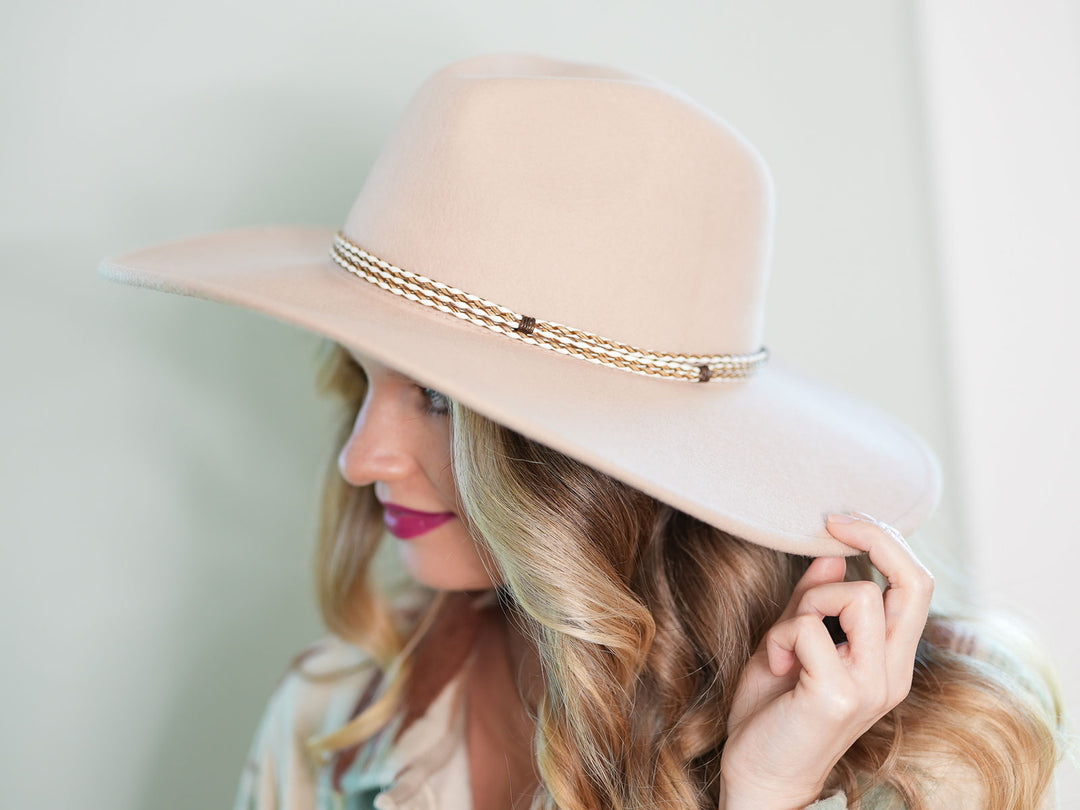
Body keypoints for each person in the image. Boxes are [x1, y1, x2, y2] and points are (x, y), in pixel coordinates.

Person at [100, 53, 1064, 809]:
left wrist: (767, 793)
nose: (361, 458)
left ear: (606, 461)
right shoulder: (333, 718)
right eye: (363, 383)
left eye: (437, 400)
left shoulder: (912, 761)